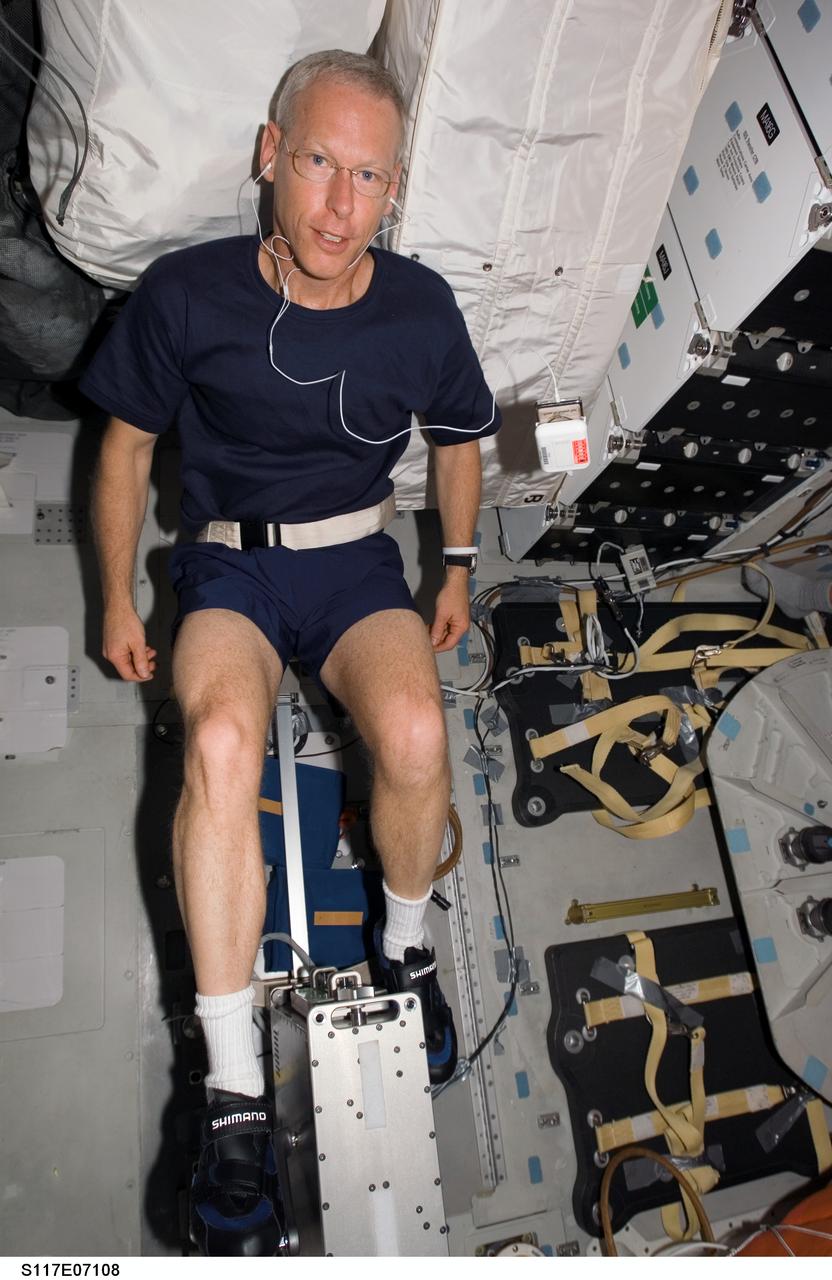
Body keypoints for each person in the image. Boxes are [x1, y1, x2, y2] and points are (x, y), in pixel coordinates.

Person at [80, 49, 500, 1256]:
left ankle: (407, 953)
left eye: (367, 177)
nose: (337, 205)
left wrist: (458, 561)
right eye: (318, 161)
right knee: (219, 742)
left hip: (357, 559)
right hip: (229, 560)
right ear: (272, 154)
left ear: (394, 188)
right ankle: (229, 1096)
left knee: (417, 731)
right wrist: (117, 591)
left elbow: (463, 434)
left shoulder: (419, 308)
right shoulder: (186, 295)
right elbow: (121, 449)